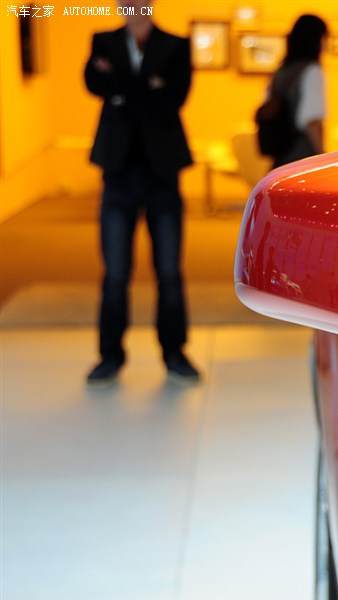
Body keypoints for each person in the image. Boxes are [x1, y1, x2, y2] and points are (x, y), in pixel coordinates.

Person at [84, 0, 200, 384]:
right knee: (115, 272)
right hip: (118, 172)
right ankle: (110, 355)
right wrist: (149, 85)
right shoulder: (103, 40)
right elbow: (93, 84)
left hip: (162, 172)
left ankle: (174, 352)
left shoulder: (175, 45)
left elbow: (175, 97)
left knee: (168, 271)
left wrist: (121, 88)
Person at [265, 14, 328, 168]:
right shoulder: (312, 71)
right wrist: (323, 156)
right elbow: (312, 120)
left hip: (280, 158)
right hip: (303, 156)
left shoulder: (281, 71)